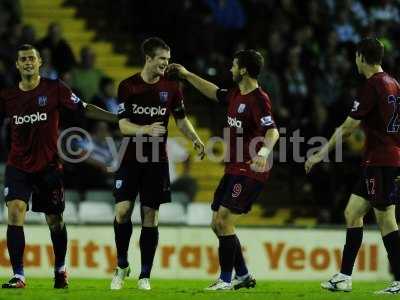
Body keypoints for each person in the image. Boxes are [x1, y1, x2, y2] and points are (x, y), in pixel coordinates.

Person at [0, 44, 117, 289]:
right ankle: (19, 275)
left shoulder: (55, 89)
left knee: (55, 220)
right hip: (18, 166)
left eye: (32, 58)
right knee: (14, 212)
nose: (28, 62)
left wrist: (116, 118)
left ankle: (60, 268)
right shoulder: (8, 96)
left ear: (40, 62)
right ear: (17, 65)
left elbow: (84, 108)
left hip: (49, 167)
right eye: (23, 59)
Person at [169, 49, 280, 290]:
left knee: (224, 220)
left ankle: (225, 280)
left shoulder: (259, 99)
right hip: (233, 168)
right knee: (216, 223)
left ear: (243, 70)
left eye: (233, 65)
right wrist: (187, 75)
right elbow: (213, 92)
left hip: (251, 170)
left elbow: (273, 131)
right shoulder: (236, 94)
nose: (230, 69)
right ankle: (242, 275)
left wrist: (262, 154)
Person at [305, 38, 400, 295]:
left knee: (386, 220)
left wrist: (319, 154)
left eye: (355, 57)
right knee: (352, 212)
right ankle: (344, 277)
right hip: (382, 159)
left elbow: (348, 127)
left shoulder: (372, 85)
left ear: (360, 57)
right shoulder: (393, 83)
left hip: (382, 160)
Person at [110, 37, 205, 291]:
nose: (166, 63)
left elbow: (182, 120)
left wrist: (195, 139)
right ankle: (121, 266)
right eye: (162, 58)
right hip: (130, 158)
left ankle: (144, 276)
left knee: (150, 215)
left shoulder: (172, 88)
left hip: (156, 161)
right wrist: (144, 130)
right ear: (149, 59)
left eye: (167, 58)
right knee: (123, 211)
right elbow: (122, 125)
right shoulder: (127, 86)